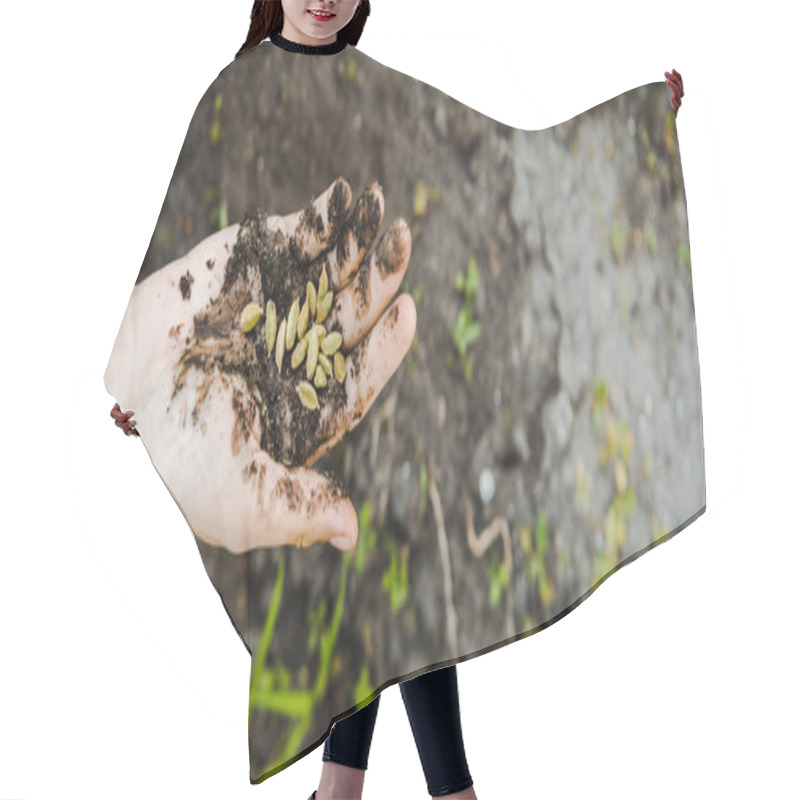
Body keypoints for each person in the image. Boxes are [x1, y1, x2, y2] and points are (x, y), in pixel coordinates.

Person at [108, 3, 685, 797]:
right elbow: (185, 250)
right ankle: (423, 790)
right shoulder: (231, 93)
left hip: (376, 383)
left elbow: (492, 157)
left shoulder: (375, 85)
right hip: (278, 415)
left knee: (398, 588)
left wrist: (635, 128)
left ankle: (356, 788)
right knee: (369, 594)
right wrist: (153, 378)